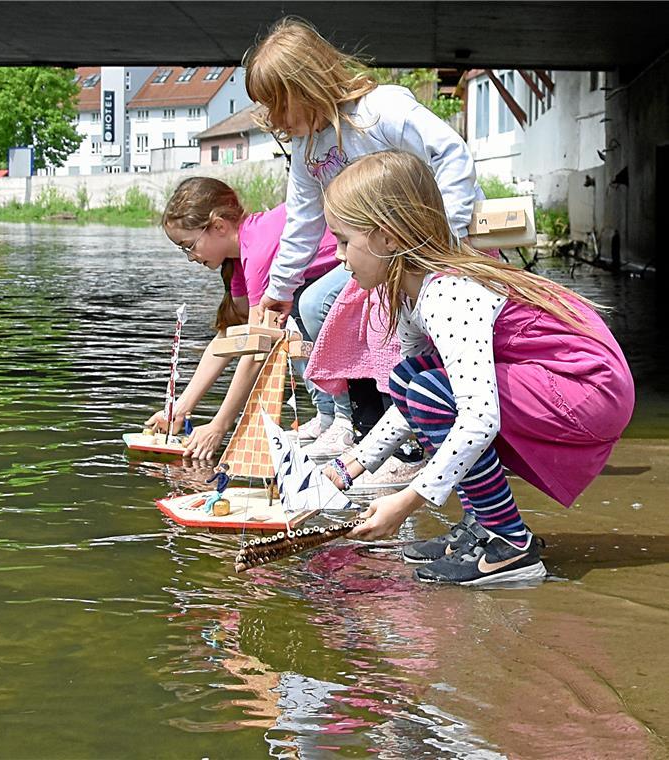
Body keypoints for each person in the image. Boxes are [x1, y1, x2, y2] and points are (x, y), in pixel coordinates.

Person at [319, 150, 634, 586]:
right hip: (561, 379)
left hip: (587, 388)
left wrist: (407, 500)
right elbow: (411, 401)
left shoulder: (447, 293)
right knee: (410, 380)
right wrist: (349, 466)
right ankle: (483, 525)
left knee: (434, 391)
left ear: (386, 238)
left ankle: (509, 543)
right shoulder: (409, 293)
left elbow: (478, 417)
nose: (336, 255)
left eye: (342, 239)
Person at [242, 17, 484, 461]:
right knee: (312, 304)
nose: (273, 118)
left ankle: (409, 442)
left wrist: (448, 239)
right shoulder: (306, 148)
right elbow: (302, 221)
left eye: (277, 104)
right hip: (380, 254)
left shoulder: (380, 112)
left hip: (430, 249)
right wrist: (278, 290)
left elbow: (451, 152)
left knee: (391, 321)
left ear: (307, 84)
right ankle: (364, 428)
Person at [144, 177, 340, 459]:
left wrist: (220, 425)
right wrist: (179, 409)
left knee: (287, 324)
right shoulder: (239, 260)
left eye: (189, 245)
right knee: (285, 320)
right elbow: (229, 338)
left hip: (361, 262)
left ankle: (336, 418)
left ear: (219, 226)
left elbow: (257, 349)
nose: (190, 257)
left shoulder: (258, 253)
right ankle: (327, 416)